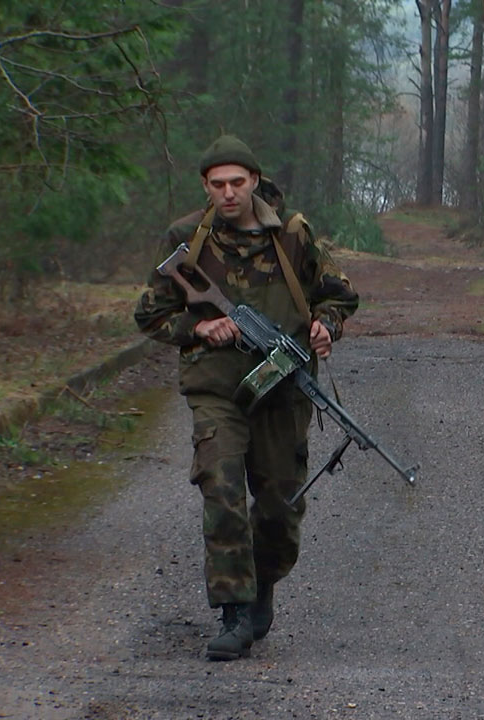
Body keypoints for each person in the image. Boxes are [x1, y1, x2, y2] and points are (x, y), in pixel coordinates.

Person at [135, 135, 359, 660]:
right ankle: (234, 612)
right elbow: (149, 314)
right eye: (218, 184)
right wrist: (200, 326)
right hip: (217, 389)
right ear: (205, 186)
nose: (229, 193)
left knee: (280, 505)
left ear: (255, 181)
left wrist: (326, 326)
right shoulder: (185, 240)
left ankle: (261, 585)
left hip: (283, 388)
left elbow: (338, 294)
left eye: (238, 182)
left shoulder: (293, 234)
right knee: (222, 486)